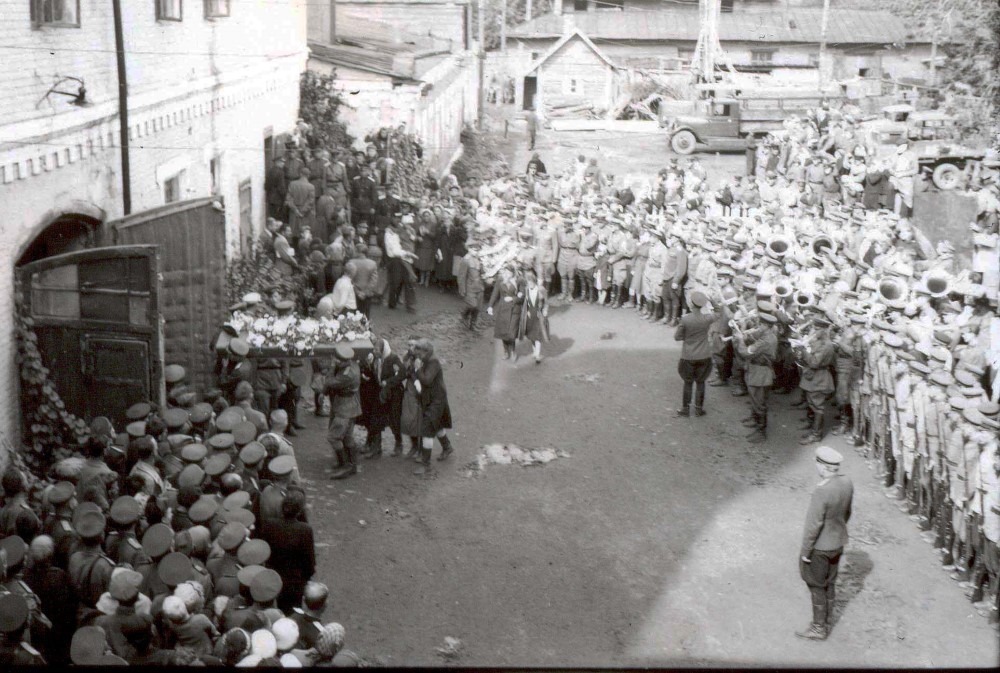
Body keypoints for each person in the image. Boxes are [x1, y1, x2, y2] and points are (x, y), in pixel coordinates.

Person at [797, 446, 854, 641]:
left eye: (817, 463)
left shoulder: (821, 491)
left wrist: (805, 552)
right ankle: (828, 618)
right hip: (838, 542)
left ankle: (819, 627)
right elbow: (847, 513)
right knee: (830, 581)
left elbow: (813, 525)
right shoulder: (847, 482)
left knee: (816, 584)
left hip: (820, 547)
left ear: (823, 467)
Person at [259, 489, 315, 613]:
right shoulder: (305, 530)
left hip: (271, 578)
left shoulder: (269, 525)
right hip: (294, 584)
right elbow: (309, 561)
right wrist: (306, 578)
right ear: (300, 510)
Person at [411, 339, 454, 474]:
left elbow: (427, 380)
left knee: (427, 430)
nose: (417, 355)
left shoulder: (433, 361)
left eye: (419, 353)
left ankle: (426, 464)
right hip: (431, 399)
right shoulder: (425, 359)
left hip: (437, 400)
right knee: (438, 425)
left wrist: (417, 369)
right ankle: (447, 447)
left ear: (426, 351)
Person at [674, 290, 716, 417]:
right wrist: (711, 300)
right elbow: (719, 312)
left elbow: (677, 337)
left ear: (691, 304)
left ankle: (685, 409)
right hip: (704, 354)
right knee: (701, 382)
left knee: (688, 383)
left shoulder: (686, 319)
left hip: (689, 355)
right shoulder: (707, 318)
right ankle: (698, 409)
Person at [325, 345, 362, 480]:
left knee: (333, 437)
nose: (334, 360)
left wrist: (332, 367)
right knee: (347, 436)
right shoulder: (353, 365)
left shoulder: (348, 374)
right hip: (347, 405)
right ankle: (352, 464)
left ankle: (345, 465)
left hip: (345, 408)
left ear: (343, 361)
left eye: (336, 359)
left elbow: (329, 382)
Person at [487, 266, 523, 360]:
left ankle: (513, 351)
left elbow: (523, 296)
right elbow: (495, 294)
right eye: (505, 272)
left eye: (508, 272)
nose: (506, 274)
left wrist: (513, 298)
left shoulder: (518, 281)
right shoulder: (500, 280)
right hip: (503, 310)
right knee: (503, 332)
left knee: (511, 333)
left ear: (513, 273)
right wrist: (490, 306)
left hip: (514, 310)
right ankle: (506, 351)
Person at [518, 269, 549, 364]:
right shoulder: (527, 290)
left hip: (538, 314)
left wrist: (545, 310)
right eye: (528, 283)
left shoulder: (541, 289)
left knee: (538, 334)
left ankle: (538, 354)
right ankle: (534, 351)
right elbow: (526, 302)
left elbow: (546, 302)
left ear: (534, 281)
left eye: (530, 282)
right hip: (530, 314)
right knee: (531, 334)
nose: (529, 284)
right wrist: (526, 311)